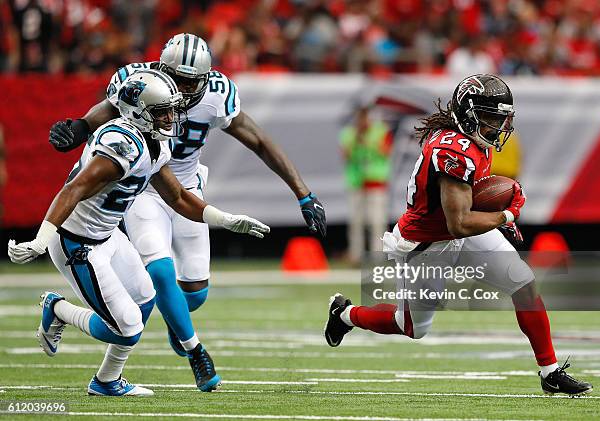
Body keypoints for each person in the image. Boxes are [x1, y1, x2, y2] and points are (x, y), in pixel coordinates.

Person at [47, 33, 325, 384]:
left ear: (205, 80)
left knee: (194, 293)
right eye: (174, 77)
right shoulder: (140, 80)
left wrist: (302, 193)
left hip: (186, 189)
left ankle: (175, 322)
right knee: (161, 273)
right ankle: (194, 349)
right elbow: (111, 107)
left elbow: (258, 140)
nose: (177, 88)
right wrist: (82, 126)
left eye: (188, 82)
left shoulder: (217, 95)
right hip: (145, 187)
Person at [324, 74, 593, 397]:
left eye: (502, 116)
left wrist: (494, 213)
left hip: (455, 228)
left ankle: (550, 372)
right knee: (410, 327)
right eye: (492, 116)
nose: (500, 125)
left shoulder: (469, 138)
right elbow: (459, 224)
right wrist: (506, 214)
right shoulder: (453, 151)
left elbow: (468, 206)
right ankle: (345, 314)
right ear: (469, 113)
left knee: (522, 283)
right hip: (427, 243)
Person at [8, 70, 269, 395]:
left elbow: (177, 197)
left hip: (107, 237)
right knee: (128, 327)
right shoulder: (121, 148)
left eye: (171, 109)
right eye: (162, 111)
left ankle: (106, 381)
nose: (171, 117)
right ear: (139, 113)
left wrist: (224, 219)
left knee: (145, 300)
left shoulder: (154, 145)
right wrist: (41, 240)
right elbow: (72, 191)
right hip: (77, 244)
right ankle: (58, 309)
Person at [339, 105, 393, 263]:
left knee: (377, 221)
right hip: (356, 182)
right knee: (356, 222)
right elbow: (346, 155)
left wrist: (368, 142)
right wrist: (357, 138)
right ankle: (356, 254)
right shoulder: (349, 133)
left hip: (376, 181)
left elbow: (386, 151)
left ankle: (377, 255)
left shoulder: (380, 131)